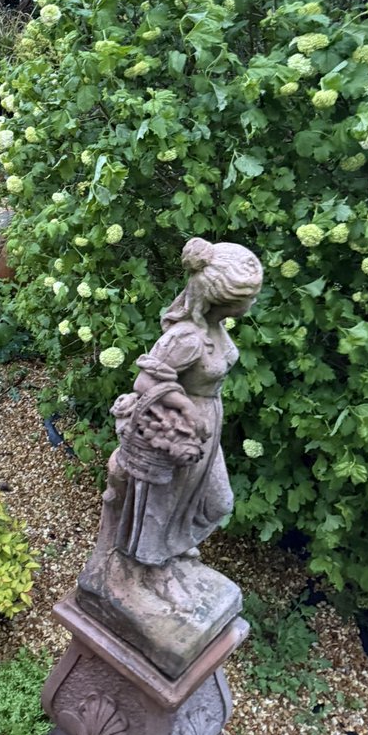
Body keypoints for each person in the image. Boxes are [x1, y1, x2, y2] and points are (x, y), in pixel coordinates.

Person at [95, 237, 263, 605]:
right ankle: (153, 569)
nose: (252, 302)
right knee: (165, 503)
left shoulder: (215, 330)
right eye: (247, 296)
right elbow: (145, 381)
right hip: (180, 430)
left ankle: (175, 547)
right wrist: (185, 409)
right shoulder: (186, 337)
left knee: (216, 503)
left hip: (208, 424)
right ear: (222, 297)